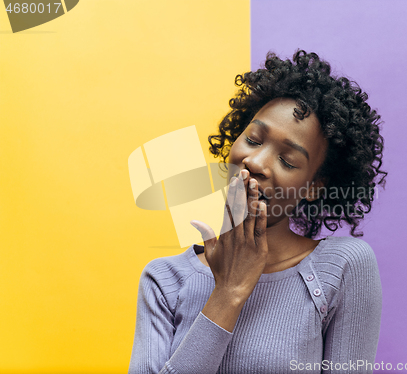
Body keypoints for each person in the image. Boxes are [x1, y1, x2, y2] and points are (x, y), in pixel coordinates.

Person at [128, 49, 387, 374]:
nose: (256, 162)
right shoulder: (165, 280)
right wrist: (229, 291)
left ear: (313, 186)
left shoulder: (342, 269)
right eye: (252, 140)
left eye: (288, 160)